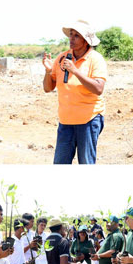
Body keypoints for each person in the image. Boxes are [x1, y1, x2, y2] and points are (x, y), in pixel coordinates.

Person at [42, 20, 107, 165]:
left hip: (88, 120)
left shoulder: (95, 59)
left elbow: (98, 89)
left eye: (76, 36)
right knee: (60, 163)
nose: (71, 38)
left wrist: (75, 71)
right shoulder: (62, 58)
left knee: (86, 163)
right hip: (65, 121)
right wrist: (48, 71)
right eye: (71, 35)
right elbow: (48, 88)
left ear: (86, 41)